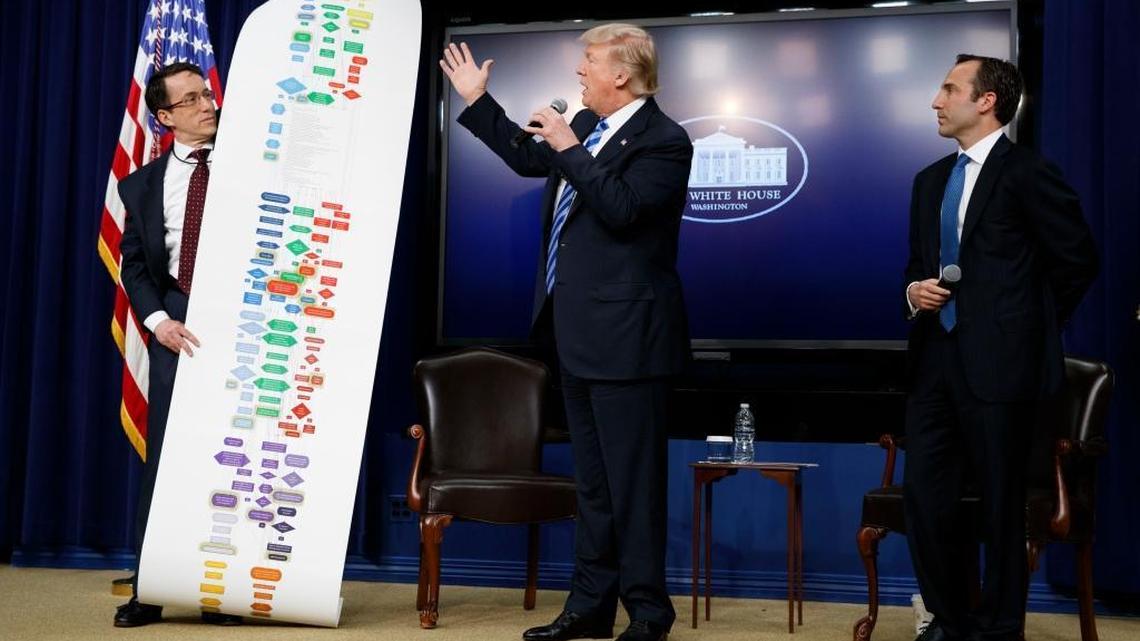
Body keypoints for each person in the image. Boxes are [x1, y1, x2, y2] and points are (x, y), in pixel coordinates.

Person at [440, 23, 692, 641]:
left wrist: (571, 147)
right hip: (574, 334)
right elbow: (527, 158)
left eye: (590, 62)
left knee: (634, 487)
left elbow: (623, 210)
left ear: (622, 75)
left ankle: (649, 613)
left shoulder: (664, 140)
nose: (579, 72)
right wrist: (477, 100)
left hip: (630, 340)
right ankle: (590, 608)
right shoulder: (583, 125)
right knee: (595, 486)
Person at [902, 54, 1098, 641]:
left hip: (1003, 369)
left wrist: (1024, 326)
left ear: (986, 101)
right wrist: (913, 291)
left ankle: (999, 627)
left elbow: (1077, 260)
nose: (936, 101)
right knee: (926, 499)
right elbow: (916, 264)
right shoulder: (929, 181)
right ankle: (947, 620)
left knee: (1000, 506)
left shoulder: (1028, 173)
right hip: (934, 363)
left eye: (949, 89)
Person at [114, 62, 240, 628]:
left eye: (206, 94)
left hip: (245, 325)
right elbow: (136, 266)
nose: (207, 105)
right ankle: (150, 588)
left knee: (230, 460)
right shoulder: (140, 184)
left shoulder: (250, 164)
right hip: (177, 328)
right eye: (190, 100)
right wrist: (159, 321)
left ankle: (219, 592)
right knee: (166, 461)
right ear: (164, 117)